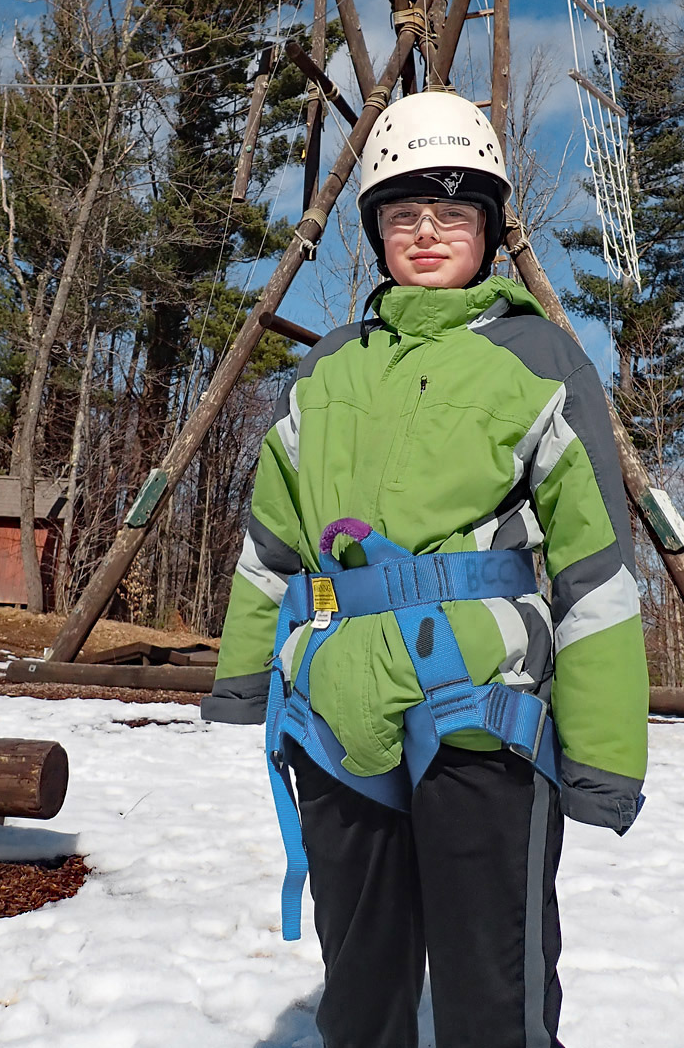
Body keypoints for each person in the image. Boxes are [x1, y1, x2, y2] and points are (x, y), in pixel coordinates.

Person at [202, 90, 649, 1048]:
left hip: (480, 704)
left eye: (455, 212)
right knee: (360, 985)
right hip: (332, 708)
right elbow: (271, 545)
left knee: (494, 984)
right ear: (375, 230)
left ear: (489, 228)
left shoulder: (542, 358)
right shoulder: (325, 368)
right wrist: (245, 677)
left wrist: (604, 757)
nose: (428, 232)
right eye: (404, 214)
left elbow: (594, 572)